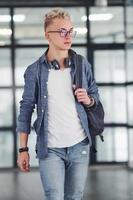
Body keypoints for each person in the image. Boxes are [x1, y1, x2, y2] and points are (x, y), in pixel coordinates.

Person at [17, 8, 99, 200]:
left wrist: (89, 99)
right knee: (54, 197)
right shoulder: (34, 71)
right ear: (48, 35)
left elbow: (95, 96)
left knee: (74, 197)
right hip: (50, 149)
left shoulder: (82, 64)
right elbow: (26, 109)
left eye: (71, 31)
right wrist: (23, 150)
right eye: (62, 32)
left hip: (80, 146)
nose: (67, 36)